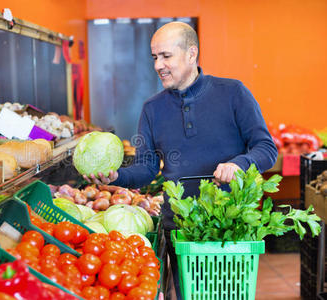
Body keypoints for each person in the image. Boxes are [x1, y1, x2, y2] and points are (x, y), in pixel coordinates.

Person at [84, 21, 278, 298]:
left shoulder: (233, 93)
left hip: (231, 225)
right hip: (181, 226)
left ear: (191, 54)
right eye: (154, 57)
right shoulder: (152, 109)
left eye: (166, 56)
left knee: (228, 293)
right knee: (190, 293)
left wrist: (239, 164)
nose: (158, 65)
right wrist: (117, 177)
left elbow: (266, 148)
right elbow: (147, 169)